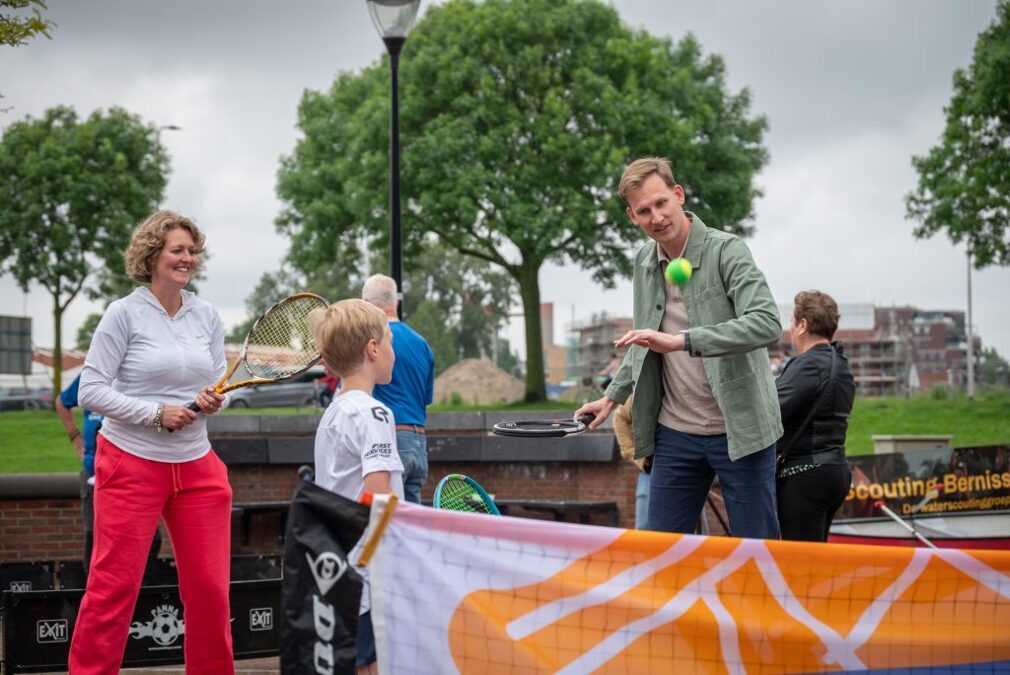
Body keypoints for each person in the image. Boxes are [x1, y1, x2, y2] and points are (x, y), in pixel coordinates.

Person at [576, 157, 783, 539]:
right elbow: (644, 341)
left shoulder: (727, 250)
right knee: (663, 553)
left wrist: (684, 341)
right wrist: (611, 397)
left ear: (678, 194)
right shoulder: (644, 261)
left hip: (740, 428)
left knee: (757, 552)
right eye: (644, 211)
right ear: (632, 216)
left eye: (661, 203)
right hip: (675, 433)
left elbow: (767, 323)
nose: (656, 217)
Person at [69, 210, 233, 674]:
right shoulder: (123, 313)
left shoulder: (207, 316)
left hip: (198, 466)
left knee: (210, 590)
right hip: (130, 462)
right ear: (152, 255)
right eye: (177, 250)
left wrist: (214, 400)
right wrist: (156, 413)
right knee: (113, 587)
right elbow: (90, 391)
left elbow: (219, 385)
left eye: (192, 251)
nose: (187, 258)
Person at [311, 298, 403, 675]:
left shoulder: (334, 412)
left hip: (338, 564)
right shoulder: (374, 413)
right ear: (373, 349)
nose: (394, 352)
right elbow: (379, 496)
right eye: (390, 342)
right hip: (367, 572)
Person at [56, 373, 163, 579]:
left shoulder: (136, 373)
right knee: (95, 536)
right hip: (94, 469)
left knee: (150, 538)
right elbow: (62, 402)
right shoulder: (92, 374)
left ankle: (134, 582)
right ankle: (94, 586)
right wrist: (75, 437)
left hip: (132, 470)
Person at [775, 291, 855, 542]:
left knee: (799, 558)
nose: (789, 328)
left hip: (805, 474)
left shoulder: (808, 365)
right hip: (835, 470)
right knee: (815, 554)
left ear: (802, 325)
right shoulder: (841, 364)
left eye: (791, 321)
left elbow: (771, 411)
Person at [362, 274, 435, 505]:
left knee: (382, 515)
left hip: (390, 440)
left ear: (366, 303)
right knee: (411, 518)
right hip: (418, 440)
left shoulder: (372, 342)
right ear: (397, 302)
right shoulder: (422, 343)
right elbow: (425, 399)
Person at [612, 393, 651, 529]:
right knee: (644, 531)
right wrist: (630, 451)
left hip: (683, 469)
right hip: (651, 469)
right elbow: (620, 416)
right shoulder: (646, 389)